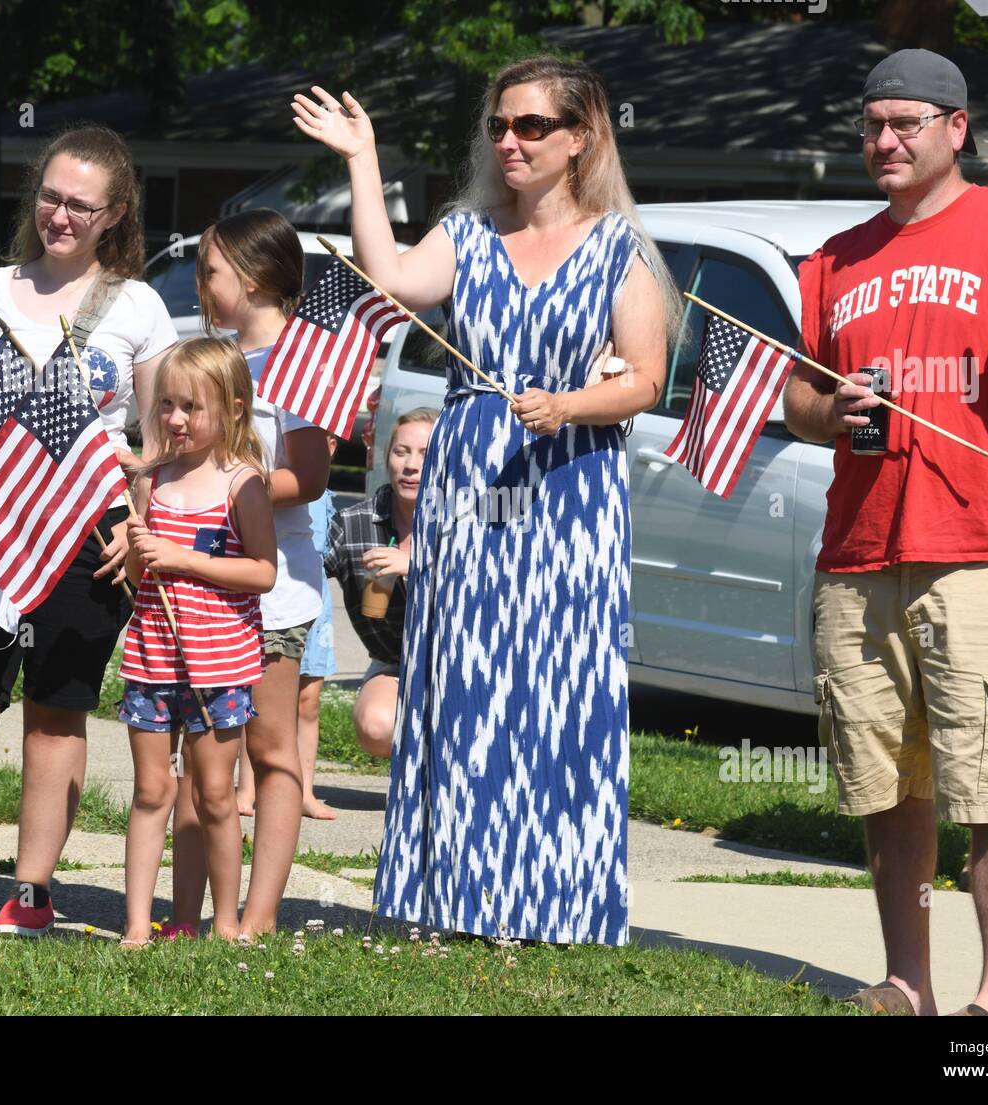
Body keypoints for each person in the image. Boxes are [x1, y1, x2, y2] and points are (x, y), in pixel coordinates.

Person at [294, 54, 680, 944]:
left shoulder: (619, 246)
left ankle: (555, 901)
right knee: (465, 675)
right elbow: (387, 279)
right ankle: (455, 898)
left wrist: (570, 404)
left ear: (580, 139)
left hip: (571, 487)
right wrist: (363, 158)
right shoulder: (467, 233)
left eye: (532, 126)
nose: (509, 141)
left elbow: (647, 380)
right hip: (472, 479)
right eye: (500, 126)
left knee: (558, 683)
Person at [783, 50, 988, 1016]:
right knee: (891, 784)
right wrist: (828, 409)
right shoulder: (835, 257)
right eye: (871, 125)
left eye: (905, 124)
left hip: (981, 550)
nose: (883, 142)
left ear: (955, 128)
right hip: (860, 554)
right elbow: (800, 395)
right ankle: (908, 980)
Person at [0, 125, 178, 936]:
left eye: (79, 205)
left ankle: (31, 892)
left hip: (88, 532)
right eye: (50, 196)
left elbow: (160, 439)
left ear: (114, 215)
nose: (59, 215)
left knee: (57, 708)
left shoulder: (138, 306)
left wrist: (138, 525)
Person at [168, 209, 331, 940]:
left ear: (257, 278)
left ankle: (257, 916)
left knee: (268, 751)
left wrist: (237, 484)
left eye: (211, 270)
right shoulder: (210, 356)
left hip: (276, 588)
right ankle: (186, 913)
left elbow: (315, 475)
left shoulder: (304, 362)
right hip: (200, 588)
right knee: (200, 754)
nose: (201, 284)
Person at [117, 337, 277, 947]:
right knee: (151, 790)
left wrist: (184, 559)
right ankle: (137, 925)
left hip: (220, 666)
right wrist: (137, 553)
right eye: (167, 406)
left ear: (234, 410)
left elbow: (262, 572)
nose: (177, 420)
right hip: (153, 660)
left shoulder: (243, 485)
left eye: (193, 407)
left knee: (214, 796)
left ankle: (227, 923)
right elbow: (139, 578)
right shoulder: (150, 483)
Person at [324, 409, 436, 758]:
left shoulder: (468, 521)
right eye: (401, 451)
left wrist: (420, 566)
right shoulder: (355, 523)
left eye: (425, 453)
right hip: (394, 660)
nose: (411, 465)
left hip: (463, 663)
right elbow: (301, 571)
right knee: (377, 725)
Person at [296, 431, 340, 819]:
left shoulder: (326, 497)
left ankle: (304, 789)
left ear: (331, 447)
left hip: (317, 603)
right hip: (278, 595)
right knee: (261, 699)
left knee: (308, 701)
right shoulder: (284, 483)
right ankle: (248, 788)